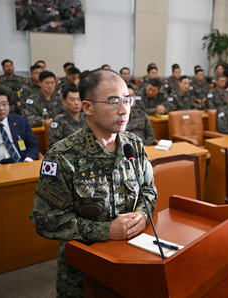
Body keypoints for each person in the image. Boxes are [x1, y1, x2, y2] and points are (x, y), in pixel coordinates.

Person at [30, 68, 157, 297]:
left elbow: (148, 190)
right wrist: (106, 230)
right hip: (84, 273)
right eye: (113, 102)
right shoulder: (63, 156)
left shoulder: (133, 145)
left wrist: (141, 215)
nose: (124, 110)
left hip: (131, 258)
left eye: (127, 100)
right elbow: (46, 220)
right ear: (87, 107)